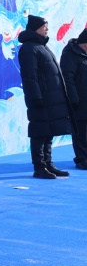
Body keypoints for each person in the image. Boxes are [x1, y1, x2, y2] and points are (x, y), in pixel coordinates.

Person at [17, 14, 72, 179]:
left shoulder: (41, 46)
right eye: (44, 27)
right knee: (39, 132)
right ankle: (39, 167)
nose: (47, 29)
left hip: (50, 98)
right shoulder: (29, 48)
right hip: (40, 99)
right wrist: (36, 97)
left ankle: (48, 164)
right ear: (35, 28)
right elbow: (29, 76)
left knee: (49, 131)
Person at [60, 29, 87, 170]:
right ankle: (82, 159)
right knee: (80, 130)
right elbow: (67, 79)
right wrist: (74, 99)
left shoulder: (84, 55)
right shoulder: (70, 54)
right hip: (79, 100)